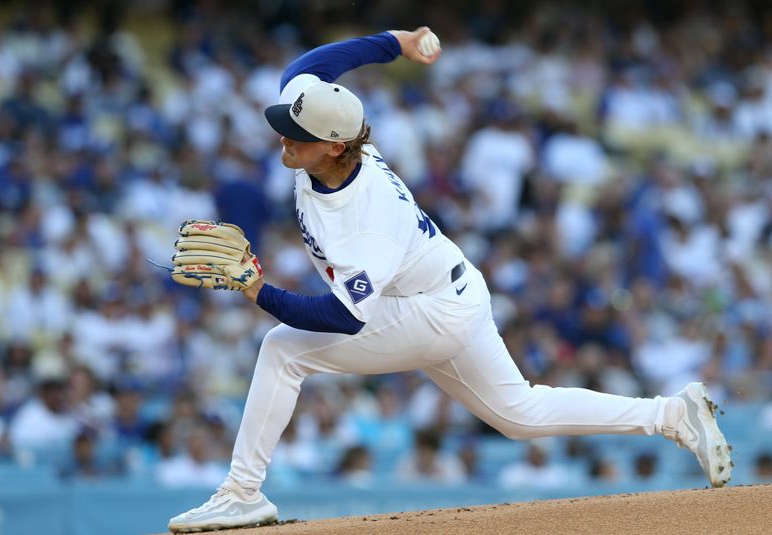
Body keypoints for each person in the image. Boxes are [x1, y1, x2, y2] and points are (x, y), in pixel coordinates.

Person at [167, 27, 732, 533]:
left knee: (283, 349)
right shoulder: (325, 127)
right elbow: (311, 66)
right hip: (450, 290)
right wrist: (399, 42)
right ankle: (670, 414)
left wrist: (257, 291)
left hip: (430, 309)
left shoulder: (370, 224)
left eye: (297, 135)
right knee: (522, 416)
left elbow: (343, 317)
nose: (283, 138)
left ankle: (241, 493)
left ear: (336, 145)